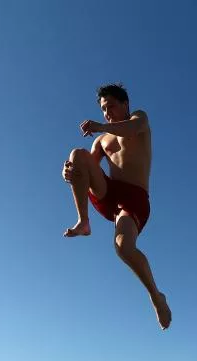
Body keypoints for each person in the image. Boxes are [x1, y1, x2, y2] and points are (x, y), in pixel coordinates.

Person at [61, 83, 171, 330]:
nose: (107, 112)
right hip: (110, 193)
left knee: (123, 246)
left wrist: (101, 126)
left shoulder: (138, 118)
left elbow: (133, 129)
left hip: (135, 198)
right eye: (103, 109)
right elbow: (86, 169)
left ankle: (155, 295)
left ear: (125, 104)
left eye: (111, 106)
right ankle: (84, 221)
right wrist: (68, 171)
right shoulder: (101, 141)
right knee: (77, 154)